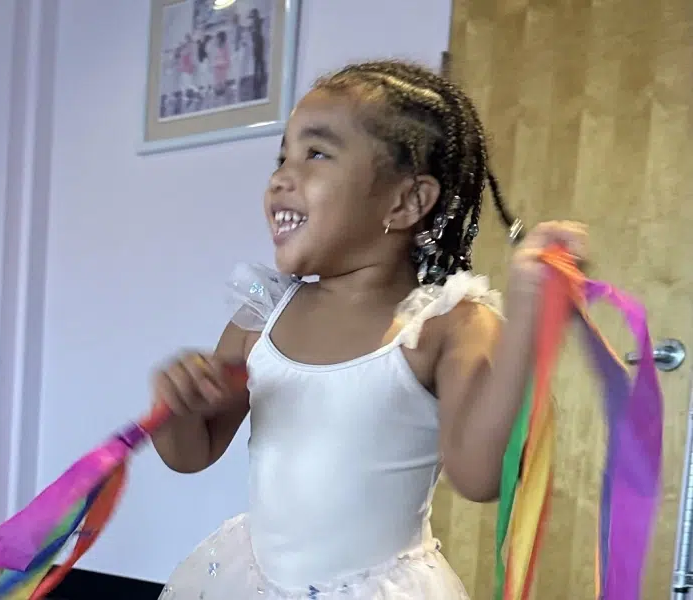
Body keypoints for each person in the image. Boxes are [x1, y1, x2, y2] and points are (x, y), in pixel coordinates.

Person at [150, 59, 587, 599]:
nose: (282, 176)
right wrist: (179, 410)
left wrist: (529, 324)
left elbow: (482, 477)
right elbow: (191, 454)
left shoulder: (446, 325)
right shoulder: (262, 314)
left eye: (316, 153)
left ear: (406, 202)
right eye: (281, 156)